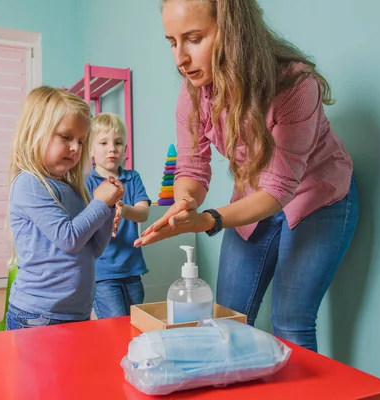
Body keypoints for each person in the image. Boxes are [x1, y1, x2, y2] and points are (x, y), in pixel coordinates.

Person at [136, 0, 358, 352]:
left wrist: (208, 220)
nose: (180, 59)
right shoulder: (195, 91)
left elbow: (279, 189)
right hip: (254, 192)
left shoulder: (296, 86)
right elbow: (192, 167)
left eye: (193, 39)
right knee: (226, 320)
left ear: (232, 31)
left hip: (316, 195)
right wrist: (183, 204)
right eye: (172, 42)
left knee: (290, 323)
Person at [6, 86, 123, 330]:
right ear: (36, 133)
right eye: (66, 137)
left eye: (80, 141)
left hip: (74, 312)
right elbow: (68, 239)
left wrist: (108, 208)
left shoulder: (70, 188)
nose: (75, 148)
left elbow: (94, 248)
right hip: (38, 316)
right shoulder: (29, 184)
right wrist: (100, 203)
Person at [86, 113, 151, 318]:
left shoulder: (132, 178)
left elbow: (143, 214)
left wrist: (124, 210)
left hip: (132, 270)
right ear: (91, 150)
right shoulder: (86, 182)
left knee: (135, 324)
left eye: (118, 142)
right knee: (115, 326)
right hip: (102, 272)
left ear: (125, 149)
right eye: (104, 143)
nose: (112, 148)